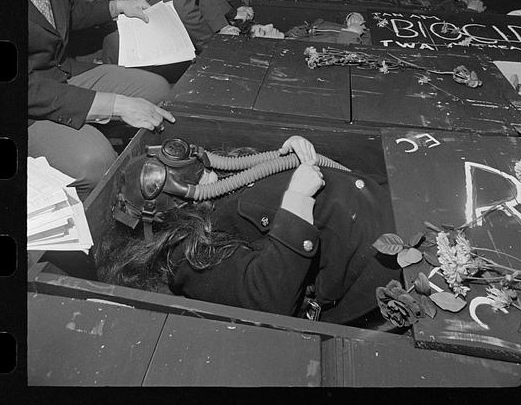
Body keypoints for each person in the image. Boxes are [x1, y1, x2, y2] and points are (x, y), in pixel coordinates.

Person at [96, 135, 397, 325]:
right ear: (162, 215)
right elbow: (266, 299)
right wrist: (297, 200)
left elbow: (257, 183)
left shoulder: (219, 176)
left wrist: (287, 154)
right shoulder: (187, 254)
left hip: (386, 196)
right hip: (384, 257)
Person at [27, 0, 174, 199]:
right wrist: (116, 105)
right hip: (26, 108)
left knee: (159, 91)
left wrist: (118, 7)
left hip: (60, 79)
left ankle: (145, 173)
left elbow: (65, 14)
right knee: (97, 163)